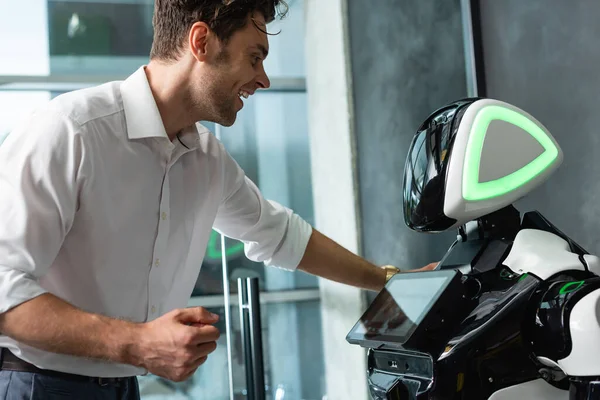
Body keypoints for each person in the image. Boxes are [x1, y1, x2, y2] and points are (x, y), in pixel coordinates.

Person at [0, 0, 436, 398]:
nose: (263, 79)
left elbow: (282, 236)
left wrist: (388, 281)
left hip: (122, 386)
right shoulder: (70, 131)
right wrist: (138, 343)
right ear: (202, 42)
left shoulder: (207, 159)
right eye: (254, 57)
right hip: (30, 384)